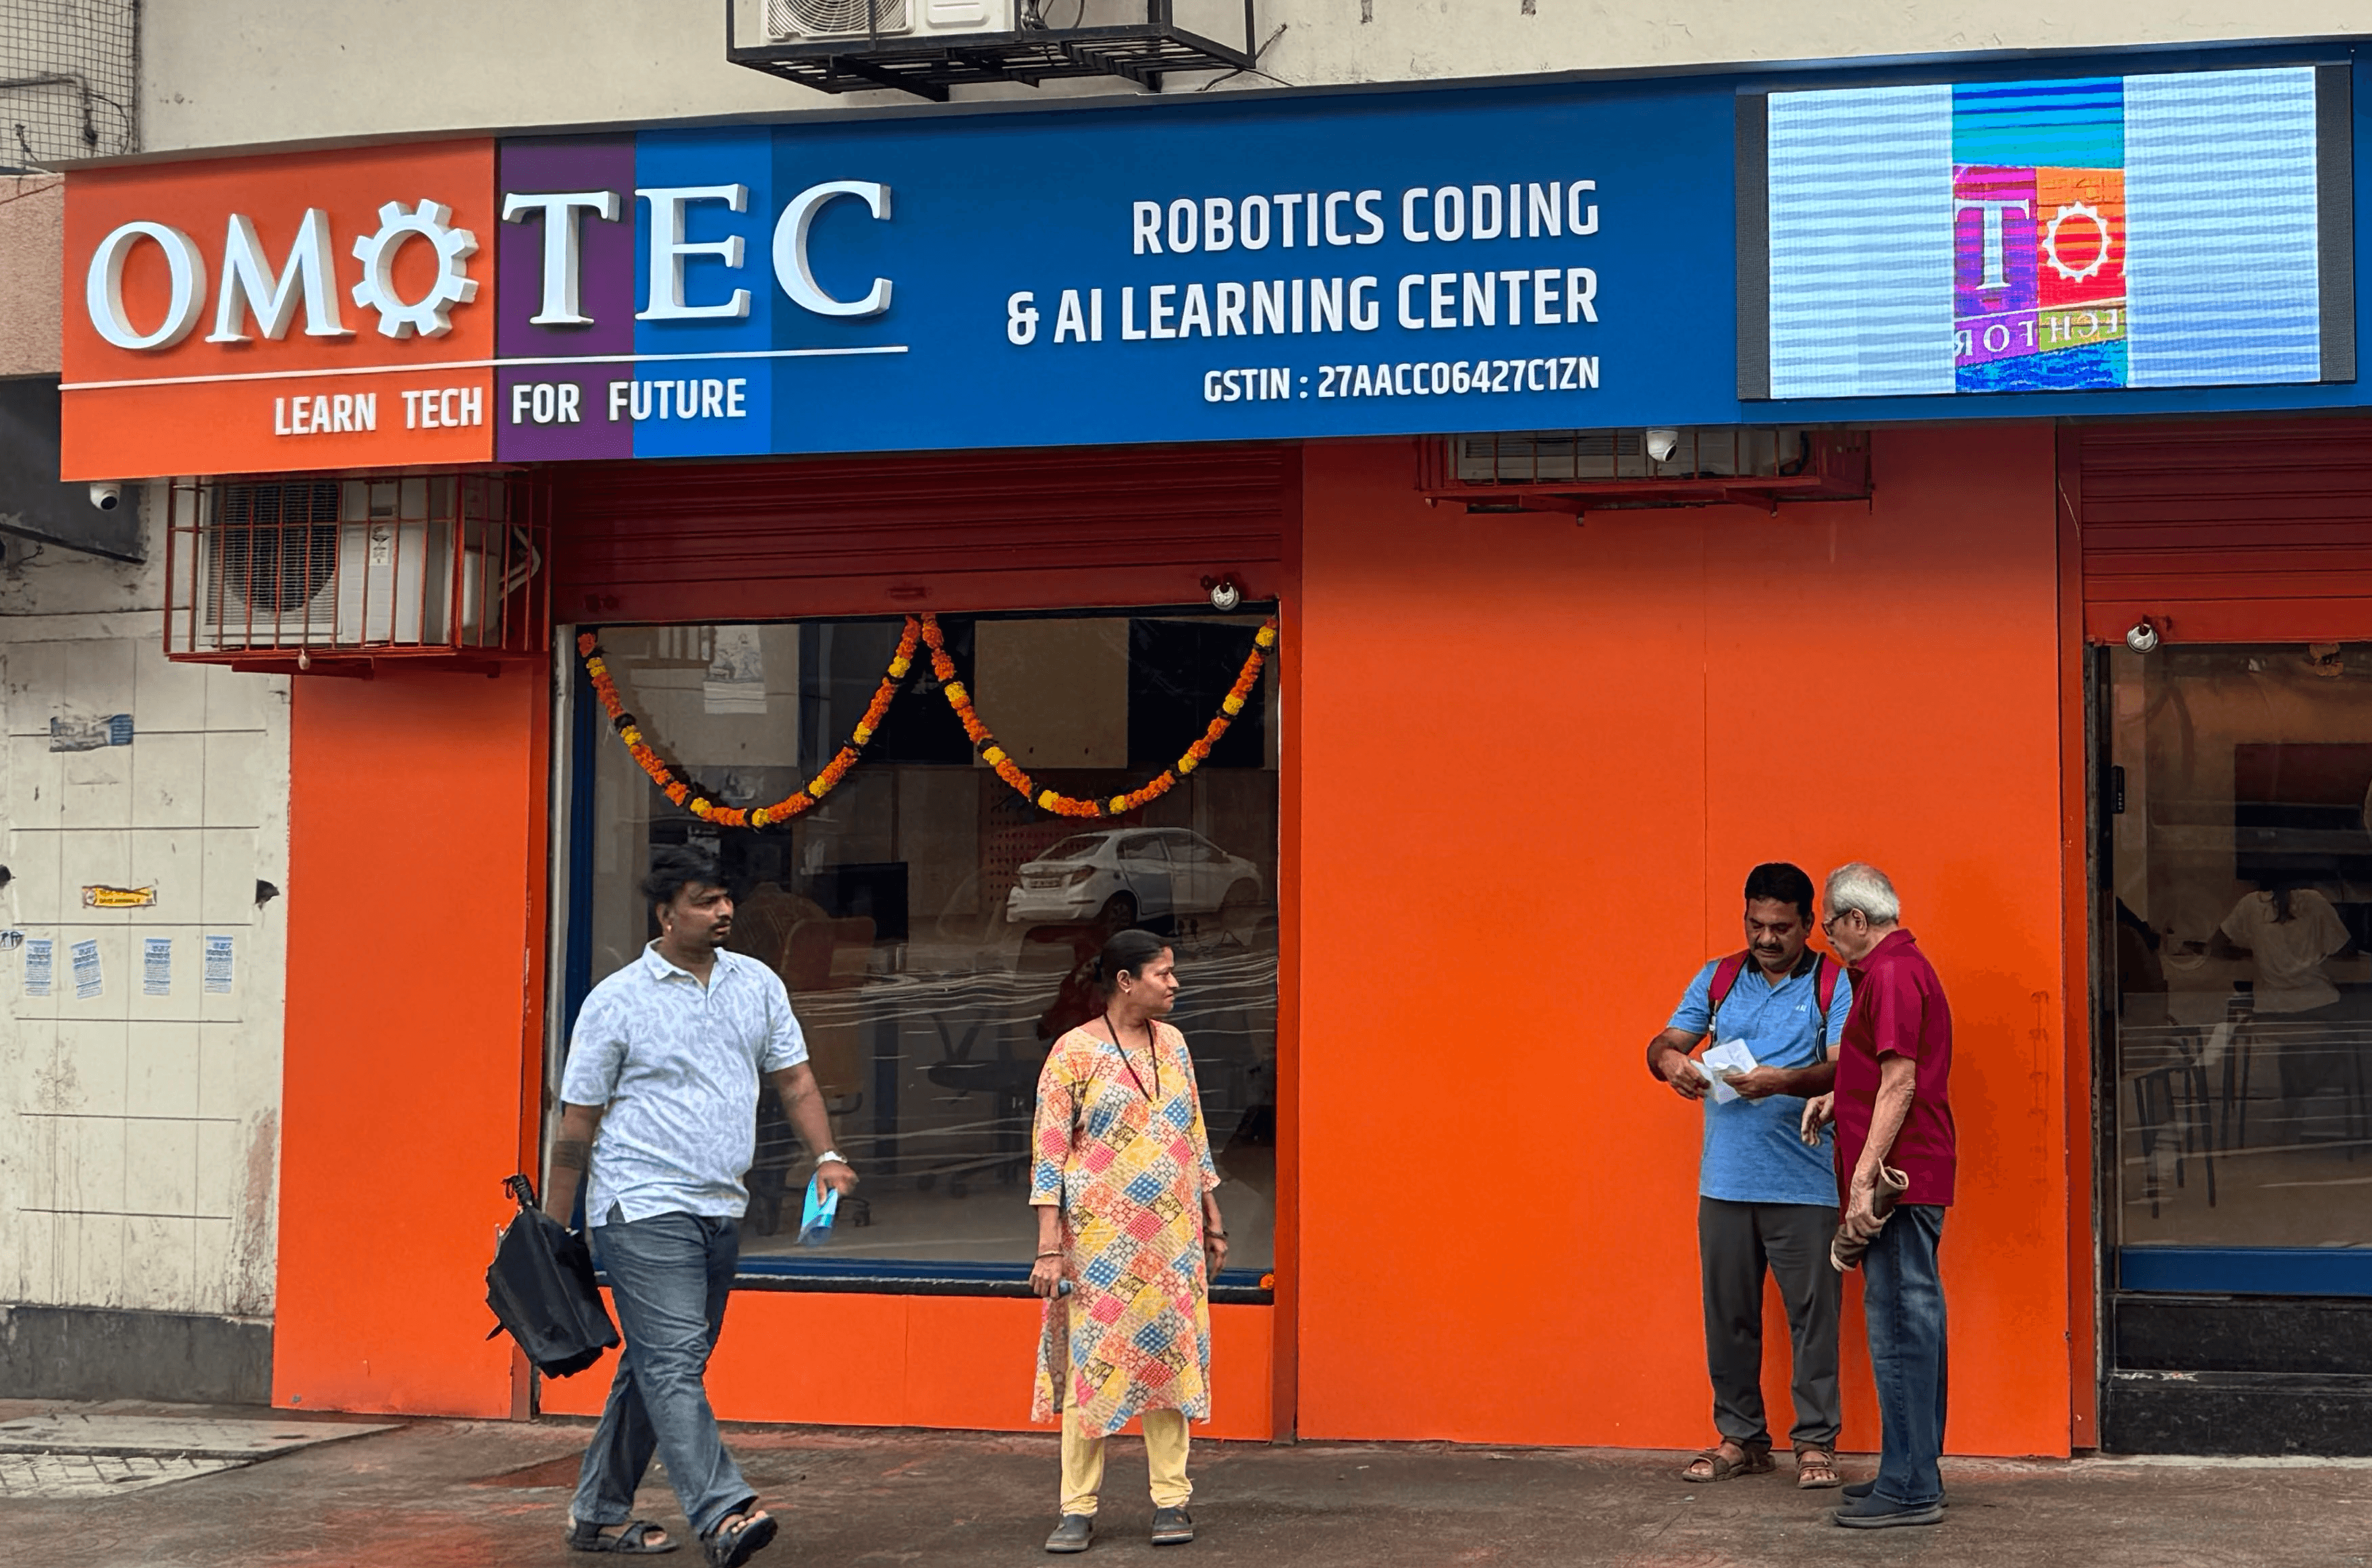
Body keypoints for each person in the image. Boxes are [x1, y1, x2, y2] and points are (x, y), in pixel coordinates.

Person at [544, 847, 859, 1565]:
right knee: (673, 1361)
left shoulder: (757, 985)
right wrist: (555, 1226)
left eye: (725, 900)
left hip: (721, 1205)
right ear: (665, 912)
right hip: (640, 1204)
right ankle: (723, 1512)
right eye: (705, 901)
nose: (722, 913)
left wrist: (827, 1156)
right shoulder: (617, 1000)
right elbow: (577, 1121)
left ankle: (597, 1512)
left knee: (660, 1364)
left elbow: (797, 1079)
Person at [1646, 862, 1854, 1491]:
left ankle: (1815, 1442)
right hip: (1726, 1183)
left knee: (1812, 1319)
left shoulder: (1833, 984)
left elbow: (1847, 1066)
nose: (1766, 938)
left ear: (1808, 924)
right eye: (1756, 924)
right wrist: (1673, 1061)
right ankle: (1742, 1437)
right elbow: (1663, 1041)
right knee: (1728, 1315)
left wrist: (1783, 1080)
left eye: (1781, 928)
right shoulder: (1719, 977)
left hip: (1806, 1183)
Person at [1029, 929, 1227, 1553]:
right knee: (1095, 1369)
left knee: (1166, 1364)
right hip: (1098, 1243)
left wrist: (1212, 1220)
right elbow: (1049, 1155)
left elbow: (1194, 1138)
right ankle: (1076, 1507)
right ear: (1124, 981)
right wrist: (1047, 1246)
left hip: (1171, 1241)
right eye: (1162, 973)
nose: (1173, 983)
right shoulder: (1072, 1053)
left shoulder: (1175, 1045)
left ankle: (1172, 1500)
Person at [1803, 863, 1955, 1530]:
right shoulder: (1902, 967)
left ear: (1855, 921)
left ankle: (1909, 1485)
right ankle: (1913, 1470)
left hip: (1898, 1179)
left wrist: (1862, 1179)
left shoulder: (1888, 974)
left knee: (1897, 1326)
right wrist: (1841, 1097)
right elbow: (1881, 1074)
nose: (1826, 939)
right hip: (1915, 1168)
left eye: (1828, 926)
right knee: (1912, 1323)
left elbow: (1900, 1081)